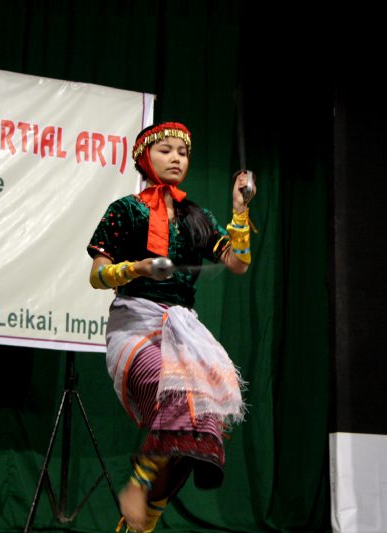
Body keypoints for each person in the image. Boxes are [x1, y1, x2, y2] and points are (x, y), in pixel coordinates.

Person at [86, 121, 255, 532]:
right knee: (179, 399)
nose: (176, 158)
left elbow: (238, 263)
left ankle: (139, 525)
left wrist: (240, 210)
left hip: (181, 329)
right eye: (165, 150)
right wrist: (137, 268)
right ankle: (138, 483)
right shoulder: (126, 210)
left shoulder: (196, 217)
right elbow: (97, 275)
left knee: (201, 426)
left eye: (182, 152)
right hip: (136, 325)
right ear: (144, 158)